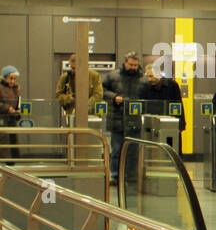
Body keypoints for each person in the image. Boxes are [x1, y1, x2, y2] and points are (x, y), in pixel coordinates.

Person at [100, 54, 146, 182]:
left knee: (133, 151)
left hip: (135, 120)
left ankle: (130, 176)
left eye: (135, 65)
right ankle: (115, 176)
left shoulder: (143, 79)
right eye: (131, 65)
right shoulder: (112, 76)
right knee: (116, 150)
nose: (133, 67)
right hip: (117, 119)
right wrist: (114, 97)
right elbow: (102, 90)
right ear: (125, 63)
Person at [139, 61, 186, 132]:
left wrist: (180, 125)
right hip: (152, 126)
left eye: (151, 76)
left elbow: (179, 105)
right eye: (147, 76)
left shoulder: (172, 85)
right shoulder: (146, 87)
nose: (149, 79)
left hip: (170, 124)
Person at [56, 53, 104, 121]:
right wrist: (69, 98)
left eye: (77, 68)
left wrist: (84, 105)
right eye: (72, 68)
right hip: (71, 115)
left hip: (90, 115)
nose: (74, 70)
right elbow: (58, 96)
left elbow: (98, 95)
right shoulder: (65, 77)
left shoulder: (94, 76)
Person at [0, 66, 20, 161]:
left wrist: (17, 111)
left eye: (14, 78)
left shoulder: (15, 89)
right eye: (10, 78)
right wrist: (8, 108)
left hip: (12, 119)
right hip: (2, 119)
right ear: (4, 77)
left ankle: (12, 162)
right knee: (4, 142)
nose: (12, 81)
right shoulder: (0, 88)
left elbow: (17, 103)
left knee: (12, 142)